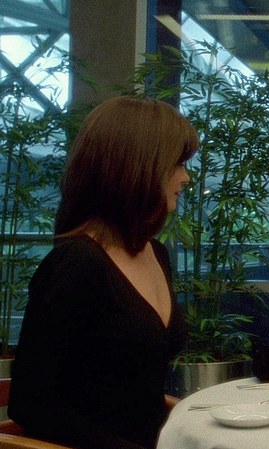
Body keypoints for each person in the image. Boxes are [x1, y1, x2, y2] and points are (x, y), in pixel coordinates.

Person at [9, 96, 197, 449]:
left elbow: (133, 391)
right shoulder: (76, 264)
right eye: (178, 164)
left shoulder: (156, 253)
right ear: (140, 167)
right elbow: (30, 403)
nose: (185, 177)